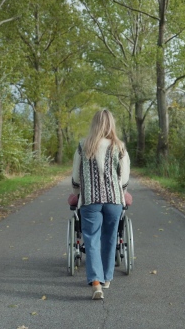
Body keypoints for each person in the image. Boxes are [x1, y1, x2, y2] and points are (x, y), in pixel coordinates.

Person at [71, 109, 130, 300]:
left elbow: (75, 177)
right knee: (110, 237)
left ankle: (96, 283)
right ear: (111, 124)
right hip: (114, 200)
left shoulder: (83, 145)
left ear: (94, 124)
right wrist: (121, 191)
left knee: (91, 239)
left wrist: (77, 192)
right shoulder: (119, 147)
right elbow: (124, 178)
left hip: (90, 201)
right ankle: (106, 278)